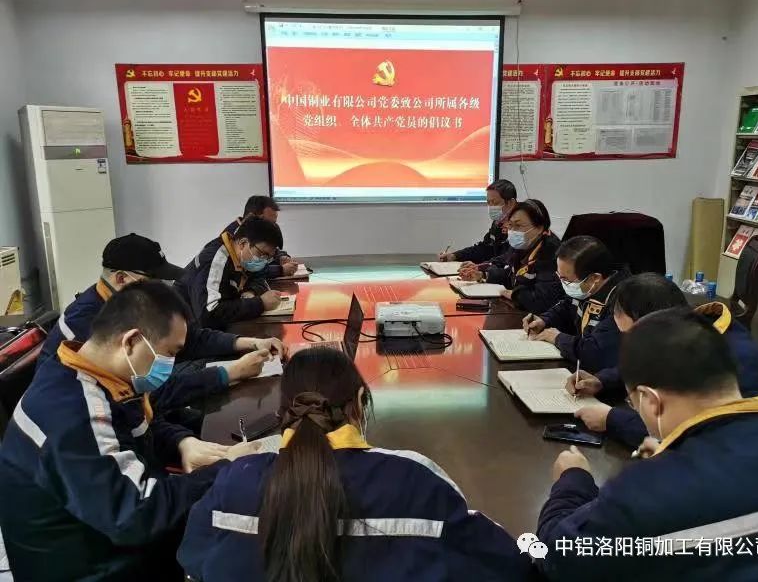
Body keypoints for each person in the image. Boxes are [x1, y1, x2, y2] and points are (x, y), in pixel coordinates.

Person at [178, 346, 534, 582]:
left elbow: (193, 561)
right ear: (361, 402)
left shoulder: (234, 481)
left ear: (281, 413)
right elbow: (510, 564)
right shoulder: (415, 479)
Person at [0, 282, 256, 581]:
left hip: (103, 528)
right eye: (169, 353)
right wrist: (226, 468)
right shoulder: (73, 411)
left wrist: (181, 442)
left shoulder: (93, 372)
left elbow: (137, 421)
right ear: (132, 341)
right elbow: (135, 515)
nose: (171, 364)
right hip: (86, 564)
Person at [537, 309, 758, 580]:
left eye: (633, 403)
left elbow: (557, 557)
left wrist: (572, 482)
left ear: (651, 400)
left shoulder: (644, 494)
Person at [37, 233, 284, 412]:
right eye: (152, 280)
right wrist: (229, 373)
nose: (161, 288)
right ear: (121, 279)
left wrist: (249, 342)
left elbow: (191, 338)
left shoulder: (132, 303)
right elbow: (144, 395)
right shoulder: (86, 325)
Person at [570, 273, 758, 448]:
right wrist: (603, 381)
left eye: (632, 335)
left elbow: (693, 434)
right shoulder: (681, 329)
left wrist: (612, 420)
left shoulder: (737, 360)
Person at [523, 235, 629, 372]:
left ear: (594, 278)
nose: (563, 283)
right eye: (559, 276)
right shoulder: (586, 288)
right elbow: (567, 305)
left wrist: (557, 338)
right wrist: (544, 320)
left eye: (566, 279)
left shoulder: (623, 302)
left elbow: (596, 353)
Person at [176, 217, 284, 330]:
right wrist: (259, 304)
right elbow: (209, 314)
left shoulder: (244, 257)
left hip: (216, 326)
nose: (264, 261)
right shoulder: (216, 260)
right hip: (185, 329)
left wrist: (251, 291)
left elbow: (259, 277)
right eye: (262, 254)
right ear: (243, 243)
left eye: (268, 257)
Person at [460, 199, 564, 313]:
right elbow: (511, 274)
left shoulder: (551, 253)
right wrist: (483, 275)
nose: (513, 231)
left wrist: (515, 295)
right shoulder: (522, 245)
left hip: (538, 318)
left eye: (518, 225)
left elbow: (543, 300)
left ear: (539, 227)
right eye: (510, 225)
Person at [438, 179, 517, 264]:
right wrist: (455, 256)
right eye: (489, 203)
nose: (491, 207)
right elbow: (484, 249)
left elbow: (508, 258)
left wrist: (482, 267)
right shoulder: (498, 223)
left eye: (495, 203)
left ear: (511, 203)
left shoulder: (521, 227)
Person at [224, 196, 298, 278]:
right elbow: (250, 272)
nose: (272, 227)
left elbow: (268, 250)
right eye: (269, 223)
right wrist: (280, 270)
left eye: (274, 223)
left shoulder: (256, 235)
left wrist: (280, 257)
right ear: (254, 218)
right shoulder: (233, 238)